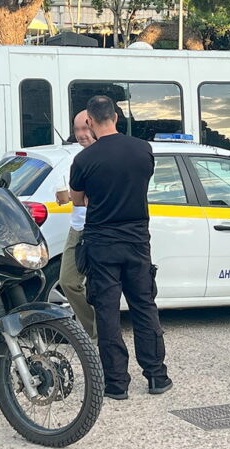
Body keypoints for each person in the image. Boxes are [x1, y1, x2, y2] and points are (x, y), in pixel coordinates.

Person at [70, 95, 171, 400]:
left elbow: (77, 200)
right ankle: (156, 376)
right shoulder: (143, 149)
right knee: (144, 306)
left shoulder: (84, 160)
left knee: (107, 313)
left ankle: (116, 383)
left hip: (101, 243)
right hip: (137, 240)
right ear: (115, 116)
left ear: (90, 121)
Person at [59, 110, 97, 340]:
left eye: (85, 128)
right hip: (78, 227)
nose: (81, 134)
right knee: (68, 282)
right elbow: (79, 198)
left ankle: (100, 338)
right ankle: (93, 331)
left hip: (100, 229)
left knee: (100, 288)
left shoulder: (104, 156)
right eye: (77, 129)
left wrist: (77, 197)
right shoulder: (78, 159)